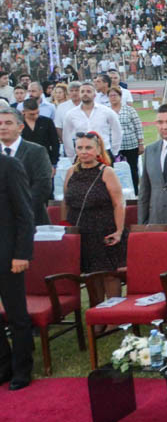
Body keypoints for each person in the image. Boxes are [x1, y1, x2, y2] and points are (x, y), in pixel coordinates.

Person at [62, 132, 126, 299]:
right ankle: (97, 315)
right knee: (90, 276)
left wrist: (119, 231)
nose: (84, 151)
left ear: (98, 150)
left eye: (88, 147)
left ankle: (113, 318)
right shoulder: (71, 172)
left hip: (103, 230)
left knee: (109, 275)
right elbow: (65, 201)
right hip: (80, 232)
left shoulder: (107, 172)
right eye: (80, 147)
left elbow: (118, 203)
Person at [0, 152, 34, 390]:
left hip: (8, 255)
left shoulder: (9, 166)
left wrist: (22, 253)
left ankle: (22, 369)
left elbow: (25, 214)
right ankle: (3, 366)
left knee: (16, 315)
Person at [0, 107, 53, 224]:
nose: (3, 127)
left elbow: (42, 186)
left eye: (8, 123)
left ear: (20, 127)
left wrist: (19, 211)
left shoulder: (36, 151)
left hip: (30, 220)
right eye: (0, 123)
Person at [62, 84, 121, 160]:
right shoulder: (71, 114)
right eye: (82, 91)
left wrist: (114, 151)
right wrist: (71, 156)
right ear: (79, 94)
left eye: (88, 91)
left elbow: (117, 131)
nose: (85, 94)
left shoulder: (106, 111)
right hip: (82, 154)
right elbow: (66, 135)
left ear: (95, 95)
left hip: (103, 152)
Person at [107, 87, 145, 194]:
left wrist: (141, 143)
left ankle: (135, 191)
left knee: (132, 168)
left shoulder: (129, 109)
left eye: (115, 95)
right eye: (110, 96)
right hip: (113, 146)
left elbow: (138, 127)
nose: (113, 98)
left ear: (120, 97)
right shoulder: (106, 111)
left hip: (130, 145)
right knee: (113, 170)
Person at [22, 96, 60, 163]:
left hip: (44, 159)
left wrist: (54, 162)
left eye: (37, 113)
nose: (35, 116)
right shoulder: (18, 123)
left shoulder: (47, 122)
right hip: (24, 160)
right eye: (32, 114)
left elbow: (55, 143)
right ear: (23, 112)